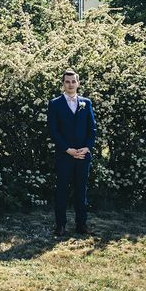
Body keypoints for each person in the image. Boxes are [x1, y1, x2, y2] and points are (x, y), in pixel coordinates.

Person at [47, 69, 97, 236]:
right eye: (67, 82)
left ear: (78, 83)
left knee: (81, 191)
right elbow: (53, 131)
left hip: (83, 155)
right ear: (63, 83)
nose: (70, 84)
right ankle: (60, 225)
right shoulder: (55, 103)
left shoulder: (86, 103)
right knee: (61, 190)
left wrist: (87, 147)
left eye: (73, 81)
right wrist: (67, 149)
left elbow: (92, 129)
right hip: (64, 155)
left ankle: (81, 224)